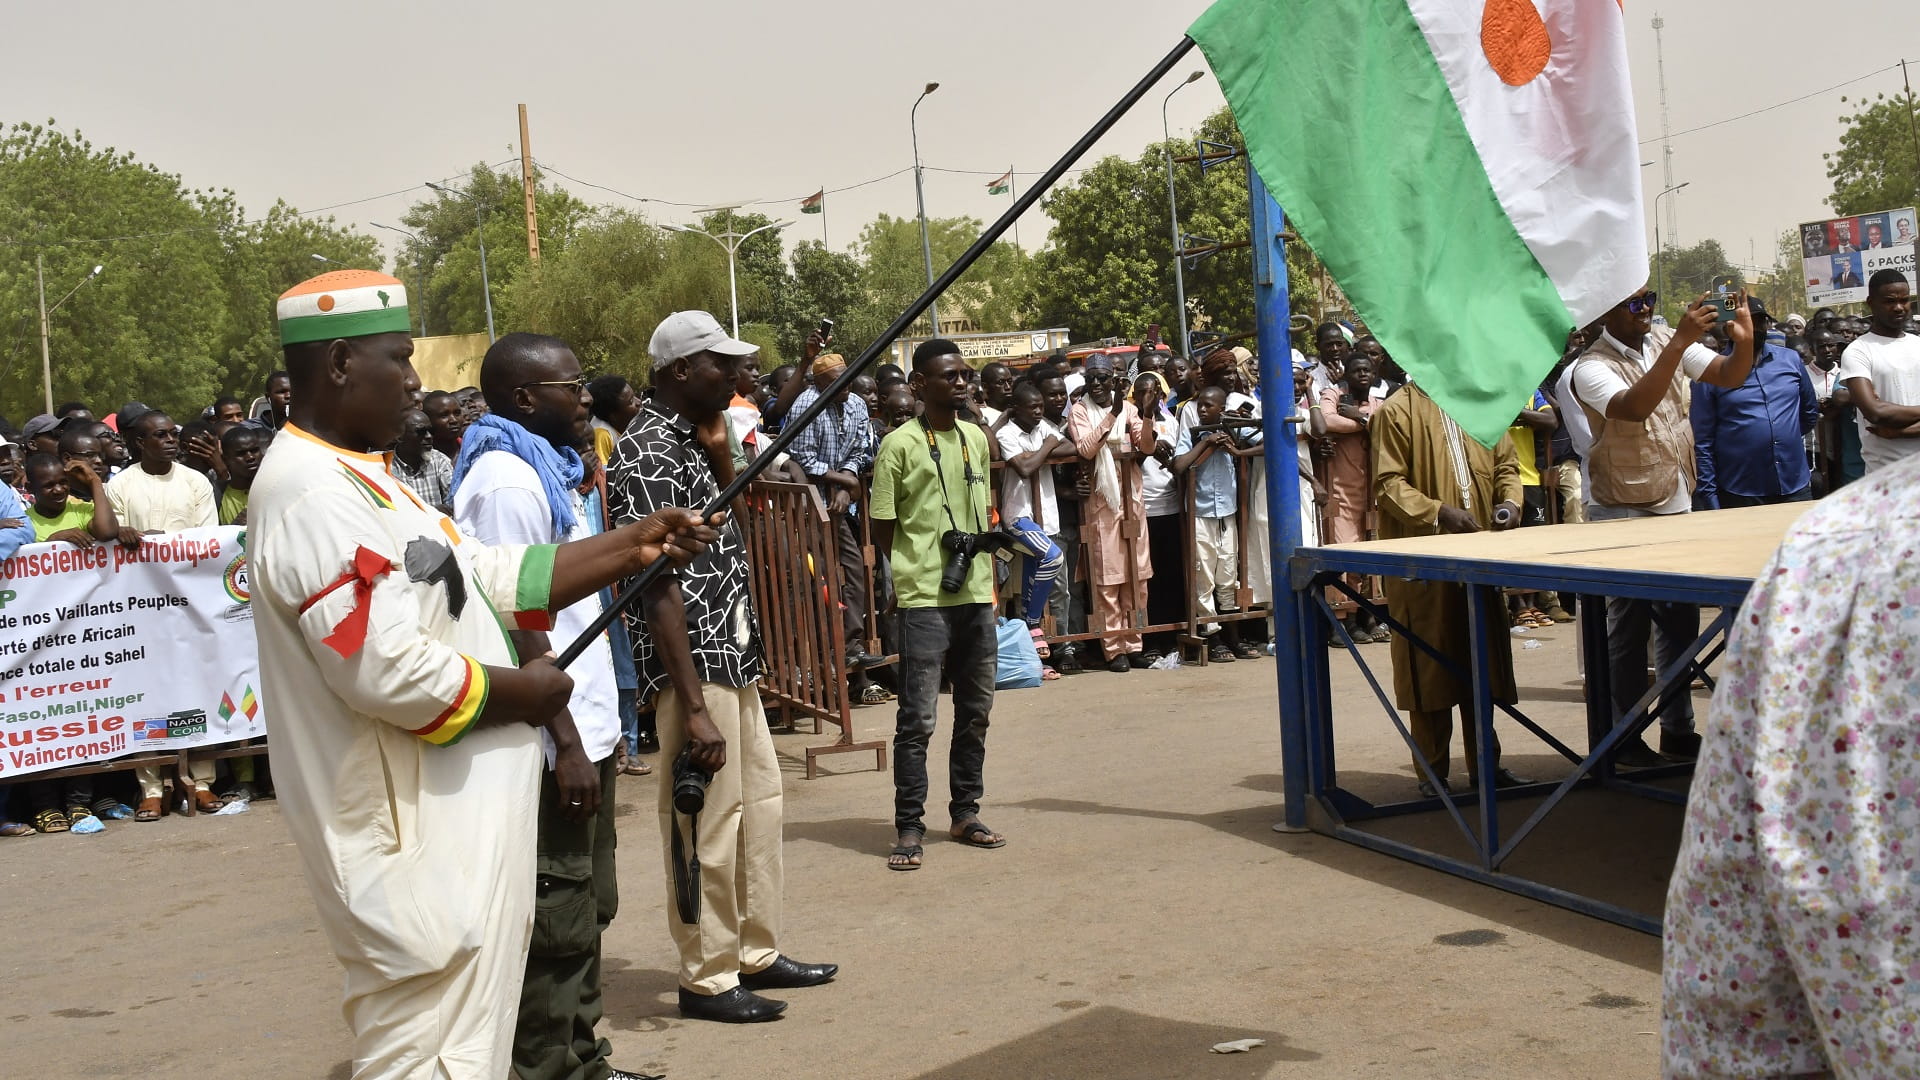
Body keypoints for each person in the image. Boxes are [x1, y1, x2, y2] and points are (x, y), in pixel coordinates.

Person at [250, 270, 713, 1078]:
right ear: (335, 365)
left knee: (472, 1050)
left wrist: (629, 545)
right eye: (398, 358)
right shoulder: (310, 494)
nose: (416, 381)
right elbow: (384, 669)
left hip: (451, 835)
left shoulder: (368, 477)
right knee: (428, 1055)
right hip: (409, 844)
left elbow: (483, 573)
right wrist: (523, 696)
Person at [610, 310, 836, 1025]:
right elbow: (658, 589)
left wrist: (719, 456)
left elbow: (723, 531)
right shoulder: (644, 450)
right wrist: (694, 705)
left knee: (760, 806)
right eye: (721, 365)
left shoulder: (695, 437)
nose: (737, 377)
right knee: (705, 821)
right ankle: (707, 975)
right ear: (681, 371)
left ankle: (755, 951)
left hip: (732, 653)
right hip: (693, 669)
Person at [1660, 460, 1920, 1076]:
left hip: (1779, 499)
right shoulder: (1848, 548)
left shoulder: (1838, 541)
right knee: (1652, 633)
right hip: (1698, 503)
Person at [448, 333, 655, 1080]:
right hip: (552, 738)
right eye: (572, 387)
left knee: (589, 903)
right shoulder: (505, 480)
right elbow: (516, 619)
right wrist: (564, 742)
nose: (587, 398)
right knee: (557, 917)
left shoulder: (550, 469)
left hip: (588, 723)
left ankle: (584, 1056)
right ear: (526, 397)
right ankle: (548, 1068)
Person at [1570, 285, 1756, 763]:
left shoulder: (1662, 341)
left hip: (1674, 496)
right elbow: (1633, 408)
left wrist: (1746, 340)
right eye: (1633, 303)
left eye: (1649, 298)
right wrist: (1677, 345)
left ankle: (1677, 730)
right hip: (1623, 509)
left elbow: (1729, 375)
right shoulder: (1590, 367)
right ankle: (1624, 738)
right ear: (1603, 312)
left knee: (1680, 624)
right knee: (1628, 630)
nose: (1646, 309)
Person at [871, 338, 1007, 871]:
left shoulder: (976, 437)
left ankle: (965, 812)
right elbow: (884, 525)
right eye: (948, 376)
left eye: (964, 374)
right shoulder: (899, 444)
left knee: (976, 712)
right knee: (918, 719)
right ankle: (909, 825)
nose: (961, 382)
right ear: (919, 386)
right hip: (925, 598)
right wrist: (915, 567)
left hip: (975, 593)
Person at [1369, 381, 1530, 797]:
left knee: (1482, 664)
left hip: (1478, 559)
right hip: (1423, 566)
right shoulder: (1398, 410)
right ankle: (1432, 774)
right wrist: (1439, 513)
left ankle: (1485, 768)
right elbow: (1388, 484)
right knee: (1429, 669)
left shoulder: (1480, 399)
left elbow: (1506, 467)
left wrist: (1510, 504)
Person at [106, 408, 222, 817]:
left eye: (173, 433)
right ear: (140, 443)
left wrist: (165, 543)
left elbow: (206, 542)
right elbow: (111, 539)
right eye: (160, 435)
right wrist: (128, 537)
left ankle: (201, 781)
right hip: (140, 606)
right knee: (146, 695)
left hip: (191, 601)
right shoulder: (119, 485)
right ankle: (152, 787)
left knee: (200, 689)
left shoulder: (196, 481)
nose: (172, 440)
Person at [783, 352, 887, 691]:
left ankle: (851, 646)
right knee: (821, 577)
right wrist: (842, 482)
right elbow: (802, 458)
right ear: (819, 384)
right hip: (807, 500)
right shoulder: (805, 405)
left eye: (847, 379)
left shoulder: (856, 403)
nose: (844, 388)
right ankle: (827, 650)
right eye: (835, 383)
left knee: (856, 570)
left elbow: (862, 449)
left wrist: (847, 478)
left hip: (840, 498)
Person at [1068, 351, 1159, 672]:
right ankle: (1114, 648)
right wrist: (1113, 415)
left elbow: (1145, 447)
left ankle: (1135, 643)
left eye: (1102, 378)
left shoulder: (1131, 409)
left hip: (1132, 503)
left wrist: (1146, 416)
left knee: (1138, 578)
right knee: (1107, 581)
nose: (1096, 384)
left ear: (1113, 380)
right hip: (1101, 506)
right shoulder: (1079, 412)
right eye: (1090, 378)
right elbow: (1085, 449)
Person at [1690, 298, 1818, 508]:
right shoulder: (1711, 372)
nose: (1754, 328)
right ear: (1730, 326)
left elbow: (1809, 412)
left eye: (1759, 321)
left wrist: (1779, 435)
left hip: (1794, 485)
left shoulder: (1791, 360)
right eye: (1746, 321)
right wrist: (1710, 498)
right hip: (1741, 490)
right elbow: (1703, 442)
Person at [1172, 386, 1262, 662]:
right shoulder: (1191, 433)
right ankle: (1214, 636)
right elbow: (1179, 465)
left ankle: (1233, 634)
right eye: (1200, 405)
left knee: (1227, 573)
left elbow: (1266, 440)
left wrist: (1237, 449)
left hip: (1226, 513)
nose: (1202, 409)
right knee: (1204, 577)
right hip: (1200, 514)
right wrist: (1207, 442)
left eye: (1209, 405)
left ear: (1221, 408)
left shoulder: (1233, 427)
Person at [994, 380, 1069, 662]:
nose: (1039, 411)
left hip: (1044, 513)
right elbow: (1024, 468)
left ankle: (1029, 630)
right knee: (1053, 557)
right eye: (1033, 407)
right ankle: (1033, 620)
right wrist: (1047, 447)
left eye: (1041, 406)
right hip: (1019, 514)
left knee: (1035, 564)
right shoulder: (1007, 433)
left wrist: (1040, 451)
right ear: (1017, 409)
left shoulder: (1043, 429)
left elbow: (1070, 448)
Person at [1312, 354, 1383, 644]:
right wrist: (1366, 424)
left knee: (1368, 558)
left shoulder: (1379, 403)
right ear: (1346, 374)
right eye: (1357, 370)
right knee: (1343, 554)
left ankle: (1365, 615)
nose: (1362, 375)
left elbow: (1388, 424)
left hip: (1372, 494)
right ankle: (1343, 620)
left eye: (1367, 370)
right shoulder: (1333, 394)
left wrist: (1360, 417)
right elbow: (1327, 421)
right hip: (1340, 490)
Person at [1836, 269, 1920, 474]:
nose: (1899, 308)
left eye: (1905, 300)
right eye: (1890, 301)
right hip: (1887, 479)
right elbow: (1875, 412)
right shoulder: (1858, 351)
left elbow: (1884, 413)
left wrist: (1902, 432)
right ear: (1870, 302)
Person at [389, 408, 454, 515]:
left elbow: (452, 504)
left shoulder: (439, 460)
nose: (429, 436)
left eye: (431, 431)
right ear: (399, 436)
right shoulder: (383, 465)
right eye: (421, 432)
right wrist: (430, 512)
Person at [218, 424, 268, 525]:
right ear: (225, 459)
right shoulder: (218, 498)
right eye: (241, 453)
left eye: (254, 451)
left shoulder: (274, 488)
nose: (250, 457)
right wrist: (234, 530)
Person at [586, 375, 641, 468]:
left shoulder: (620, 424)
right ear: (614, 415)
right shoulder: (602, 434)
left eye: (634, 396)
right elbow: (602, 474)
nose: (639, 402)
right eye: (631, 401)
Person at [423, 389, 467, 460]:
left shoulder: (473, 450)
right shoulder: (421, 458)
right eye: (444, 415)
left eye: (457, 413)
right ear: (428, 420)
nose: (454, 420)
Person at [977, 361, 1015, 426]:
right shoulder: (980, 416)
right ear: (985, 386)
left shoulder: (1020, 413)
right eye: (1000, 382)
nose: (1008, 387)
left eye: (1010, 381)